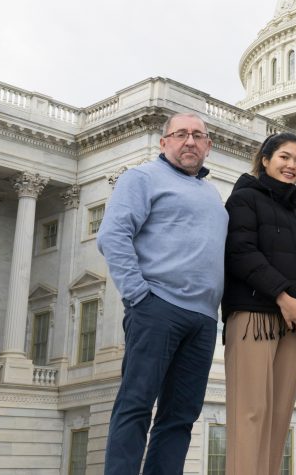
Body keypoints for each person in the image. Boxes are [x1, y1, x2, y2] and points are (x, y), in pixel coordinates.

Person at [97, 113, 227, 475]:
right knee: (136, 405)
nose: (190, 141)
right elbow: (112, 236)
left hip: (202, 320)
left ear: (208, 146)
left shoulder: (211, 193)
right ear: (163, 142)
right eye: (181, 134)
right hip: (157, 308)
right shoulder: (142, 177)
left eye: (198, 136)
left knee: (181, 416)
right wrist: (139, 295)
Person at [222, 132, 296, 475]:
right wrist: (282, 295)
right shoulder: (243, 200)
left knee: (279, 415)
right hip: (255, 316)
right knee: (250, 413)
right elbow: (240, 253)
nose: (292, 165)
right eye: (284, 157)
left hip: (295, 326)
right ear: (265, 159)